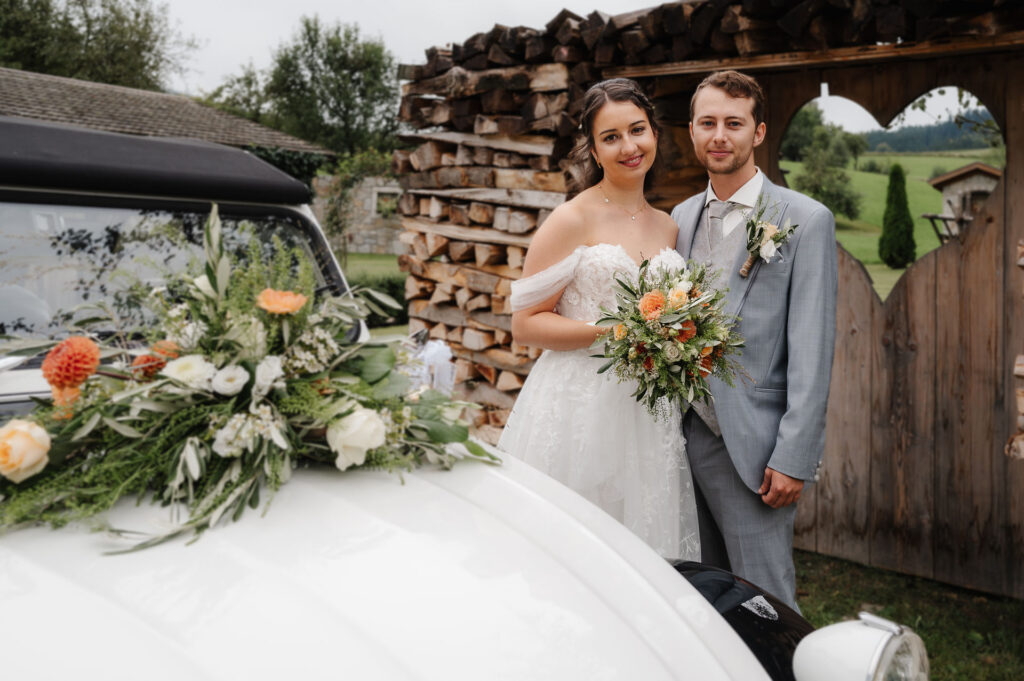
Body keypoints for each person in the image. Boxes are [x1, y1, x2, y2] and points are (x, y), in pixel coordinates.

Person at [498, 78, 699, 561]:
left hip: (647, 412)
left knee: (642, 553)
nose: (629, 147)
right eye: (611, 137)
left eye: (637, 130)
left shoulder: (668, 225)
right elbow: (525, 324)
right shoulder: (572, 218)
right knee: (572, 553)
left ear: (655, 133)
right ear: (593, 149)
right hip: (578, 409)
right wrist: (616, 332)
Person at [671, 70, 837, 611]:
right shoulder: (680, 217)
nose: (719, 136)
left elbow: (812, 349)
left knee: (766, 605)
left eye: (734, 123)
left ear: (758, 132)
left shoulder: (805, 220)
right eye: (707, 123)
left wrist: (794, 457)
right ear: (692, 131)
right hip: (679, 439)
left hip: (754, 449)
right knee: (700, 597)